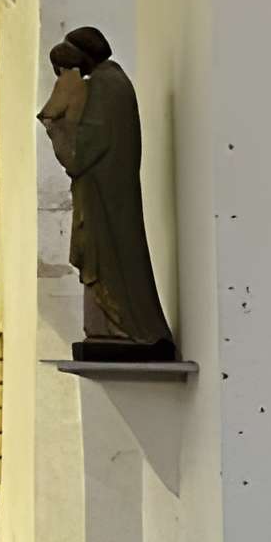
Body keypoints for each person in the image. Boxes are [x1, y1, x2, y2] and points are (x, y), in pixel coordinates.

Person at [42, 24, 172, 358]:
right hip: (102, 189)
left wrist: (56, 126)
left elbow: (85, 148)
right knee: (107, 258)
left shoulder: (106, 85)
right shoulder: (109, 82)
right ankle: (110, 328)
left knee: (112, 259)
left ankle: (128, 328)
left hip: (106, 194)